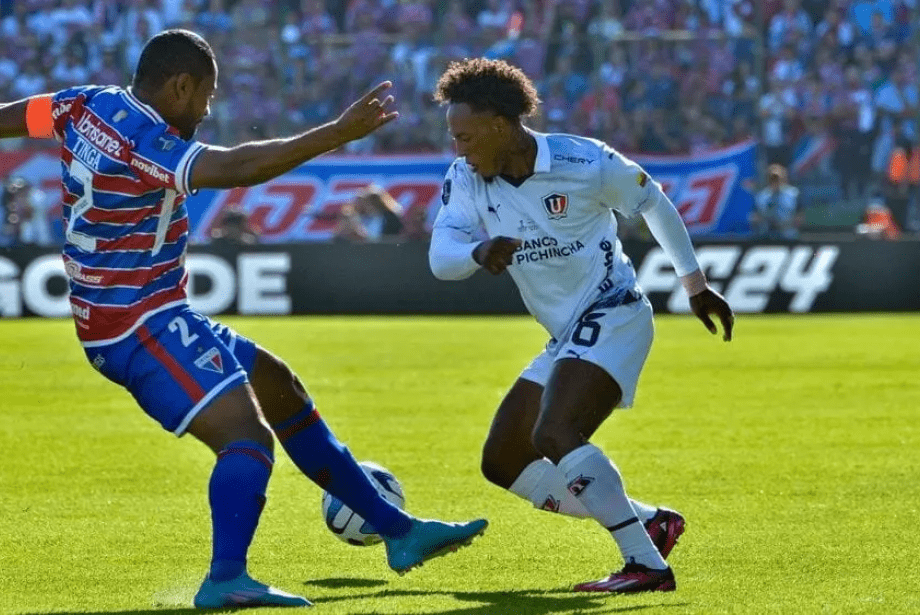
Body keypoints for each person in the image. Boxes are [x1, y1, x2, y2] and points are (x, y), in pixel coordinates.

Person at [0, 29, 487, 609]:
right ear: (180, 85)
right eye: (205, 95)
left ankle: (400, 533)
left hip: (152, 309)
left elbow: (16, 116)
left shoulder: (83, 103)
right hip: (135, 324)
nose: (207, 110)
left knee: (278, 385)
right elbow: (234, 168)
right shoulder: (144, 138)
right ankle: (226, 579)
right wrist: (336, 134)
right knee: (247, 439)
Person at [428, 58, 734, 594]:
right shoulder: (466, 178)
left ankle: (646, 565)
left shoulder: (583, 160)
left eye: (466, 136)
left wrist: (694, 285)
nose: (459, 148)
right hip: (565, 335)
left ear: (501, 123)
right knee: (503, 459)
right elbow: (441, 256)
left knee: (554, 433)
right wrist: (478, 251)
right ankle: (650, 522)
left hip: (614, 310)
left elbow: (653, 204)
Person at [750, 163, 802, 239]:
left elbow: (800, 218)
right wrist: (764, 220)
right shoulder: (761, 196)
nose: (775, 181)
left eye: (777, 178)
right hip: (766, 237)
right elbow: (755, 218)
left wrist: (784, 224)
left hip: (789, 237)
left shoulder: (794, 194)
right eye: (772, 178)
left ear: (783, 178)